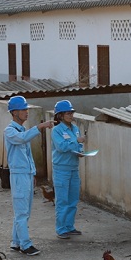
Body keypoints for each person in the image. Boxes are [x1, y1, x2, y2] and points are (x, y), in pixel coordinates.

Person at [4, 95, 53, 256]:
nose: (26, 112)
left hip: (25, 174)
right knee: (22, 212)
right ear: (14, 112)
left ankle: (16, 241)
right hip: (18, 175)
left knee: (24, 211)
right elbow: (22, 139)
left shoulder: (22, 129)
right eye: (23, 110)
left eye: (26, 109)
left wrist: (32, 173)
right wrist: (40, 127)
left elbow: (27, 154)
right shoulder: (10, 131)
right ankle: (25, 244)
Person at [50, 100, 86, 239]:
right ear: (60, 115)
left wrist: (81, 151)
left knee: (73, 199)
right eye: (68, 113)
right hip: (61, 170)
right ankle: (61, 229)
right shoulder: (56, 130)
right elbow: (61, 147)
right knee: (62, 200)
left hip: (73, 168)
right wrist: (76, 142)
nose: (71, 115)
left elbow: (77, 146)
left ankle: (69, 226)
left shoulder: (75, 128)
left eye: (72, 112)